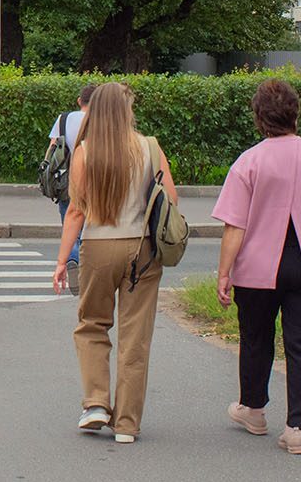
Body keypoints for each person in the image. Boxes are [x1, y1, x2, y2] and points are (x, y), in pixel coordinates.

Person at [212, 79, 301, 455]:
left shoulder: (249, 161)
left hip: (259, 270)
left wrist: (224, 272)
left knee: (256, 339)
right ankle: (297, 428)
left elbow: (235, 226)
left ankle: (254, 410)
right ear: (296, 113)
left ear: (259, 117)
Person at [52, 82, 178, 444]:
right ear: (127, 110)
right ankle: (126, 424)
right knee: (135, 336)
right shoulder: (150, 147)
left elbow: (76, 210)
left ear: (94, 111)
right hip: (143, 248)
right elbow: (170, 198)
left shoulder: (85, 152)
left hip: (98, 246)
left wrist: (62, 260)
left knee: (91, 324)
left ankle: (95, 403)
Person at [50, 84, 96, 292]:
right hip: (95, 178)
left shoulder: (64, 119)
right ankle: (86, 266)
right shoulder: (101, 121)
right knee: (90, 223)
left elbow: (53, 147)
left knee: (69, 218)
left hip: (67, 177)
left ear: (79, 101)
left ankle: (72, 257)